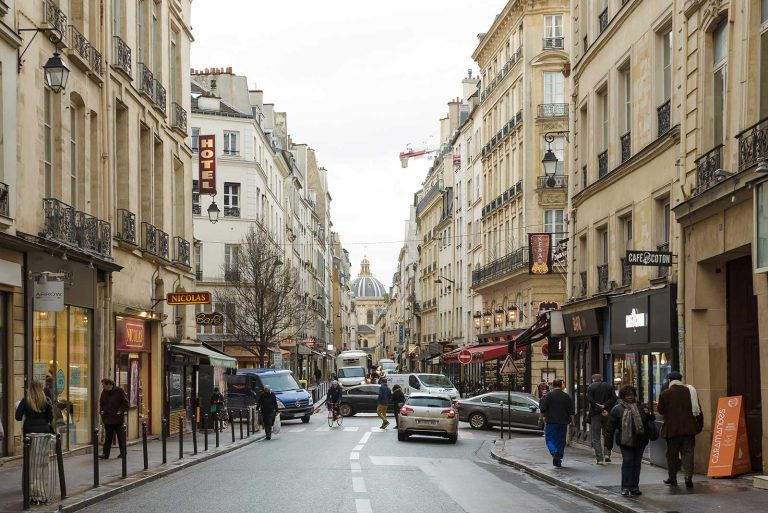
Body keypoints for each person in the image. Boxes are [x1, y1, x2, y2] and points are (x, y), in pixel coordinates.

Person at [658, 371, 702, 488]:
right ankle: (688, 477)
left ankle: (672, 478)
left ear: (669, 380)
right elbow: (698, 410)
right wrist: (700, 426)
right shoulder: (690, 391)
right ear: (681, 379)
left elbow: (661, 410)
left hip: (672, 430)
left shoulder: (665, 394)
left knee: (672, 454)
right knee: (688, 453)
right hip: (689, 429)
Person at [607, 385, 653, 497]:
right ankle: (625, 487)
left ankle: (635, 487)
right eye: (627, 395)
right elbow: (610, 427)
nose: (630, 397)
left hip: (640, 440)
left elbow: (650, 421)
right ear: (623, 397)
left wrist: (649, 414)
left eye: (632, 395)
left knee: (637, 464)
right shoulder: (617, 409)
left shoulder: (642, 407)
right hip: (625, 441)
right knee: (628, 462)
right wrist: (608, 444)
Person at [15, 380, 54, 505]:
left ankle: (31, 493)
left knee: (31, 464)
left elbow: (18, 417)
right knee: (42, 464)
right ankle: (42, 493)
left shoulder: (25, 400)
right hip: (44, 434)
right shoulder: (46, 400)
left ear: (29, 388)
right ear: (41, 388)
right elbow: (50, 418)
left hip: (30, 435)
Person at [539, 379, 575, 467]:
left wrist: (540, 419)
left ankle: (554, 452)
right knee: (561, 441)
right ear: (561, 385)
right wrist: (573, 422)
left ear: (553, 385)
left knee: (550, 439)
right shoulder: (566, 396)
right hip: (563, 422)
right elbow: (571, 411)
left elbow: (542, 409)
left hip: (551, 422)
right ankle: (558, 459)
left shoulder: (548, 395)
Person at [586, 374, 617, 464]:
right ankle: (607, 454)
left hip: (595, 414)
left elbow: (590, 400)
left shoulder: (591, 387)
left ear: (593, 380)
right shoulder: (608, 386)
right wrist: (605, 407)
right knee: (607, 434)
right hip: (607, 413)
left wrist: (600, 408)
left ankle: (599, 458)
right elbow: (614, 398)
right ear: (602, 379)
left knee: (596, 437)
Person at [99, 378, 128, 459]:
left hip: (117, 419)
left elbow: (126, 403)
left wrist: (120, 410)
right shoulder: (104, 392)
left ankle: (123, 453)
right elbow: (101, 403)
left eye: (103, 385)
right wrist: (101, 411)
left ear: (109, 384)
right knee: (108, 438)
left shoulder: (119, 391)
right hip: (107, 419)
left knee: (120, 437)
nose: (103, 387)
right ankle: (105, 454)